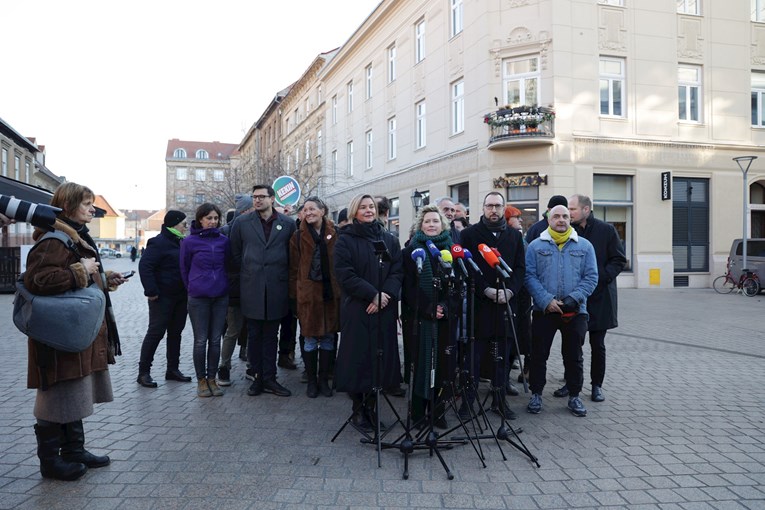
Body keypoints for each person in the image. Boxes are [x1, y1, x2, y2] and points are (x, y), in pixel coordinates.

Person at [25, 181, 126, 481]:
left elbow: (76, 277)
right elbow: (38, 280)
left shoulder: (74, 236)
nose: (92, 208)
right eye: (86, 203)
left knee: (74, 387)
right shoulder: (55, 239)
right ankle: (50, 462)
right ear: (67, 206)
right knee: (56, 391)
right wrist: (82, 271)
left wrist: (104, 279)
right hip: (57, 333)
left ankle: (73, 450)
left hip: (72, 328)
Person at [334, 194, 403, 431]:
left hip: (383, 308)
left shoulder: (388, 239)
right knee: (359, 359)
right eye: (362, 207)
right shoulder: (345, 240)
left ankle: (372, 407)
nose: (368, 210)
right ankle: (358, 411)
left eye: (371, 206)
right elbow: (345, 273)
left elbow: (397, 270)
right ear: (354, 211)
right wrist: (371, 294)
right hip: (358, 308)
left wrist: (385, 296)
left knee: (379, 358)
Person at [524, 205, 598, 417]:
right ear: (548, 219)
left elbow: (591, 277)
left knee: (574, 356)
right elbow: (529, 276)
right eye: (556, 216)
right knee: (538, 355)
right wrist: (546, 300)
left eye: (565, 216)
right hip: (543, 310)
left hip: (575, 311)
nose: (561, 220)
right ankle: (536, 394)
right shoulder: (535, 246)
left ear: (570, 219)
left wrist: (574, 298)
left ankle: (574, 396)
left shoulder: (584, 246)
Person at [552, 194, 626, 402]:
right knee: (572, 344)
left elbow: (619, 260)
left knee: (597, 345)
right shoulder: (568, 231)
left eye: (572, 209)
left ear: (586, 210)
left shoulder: (606, 230)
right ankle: (571, 383)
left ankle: (596, 386)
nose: (568, 213)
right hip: (574, 299)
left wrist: (600, 277)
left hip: (600, 298)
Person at [460, 192, 526, 420]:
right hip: (480, 306)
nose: (494, 210)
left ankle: (500, 401)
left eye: (498, 206)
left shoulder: (515, 237)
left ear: (504, 208)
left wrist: (510, 290)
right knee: (474, 358)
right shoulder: (468, 235)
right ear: (483, 207)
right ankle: (468, 403)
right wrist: (485, 289)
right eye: (490, 206)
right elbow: (466, 267)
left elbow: (520, 269)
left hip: (506, 306)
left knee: (501, 358)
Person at [230, 184, 296, 397]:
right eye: (254, 197)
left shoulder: (287, 224)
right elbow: (235, 253)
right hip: (252, 286)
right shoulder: (241, 223)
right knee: (254, 334)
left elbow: (292, 255)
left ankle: (270, 378)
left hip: (277, 287)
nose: (257, 200)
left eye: (261, 197)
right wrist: (250, 269)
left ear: (272, 199)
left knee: (271, 335)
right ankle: (257, 377)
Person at [401, 204, 457, 428]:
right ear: (420, 226)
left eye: (435, 221)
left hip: (444, 320)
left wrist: (444, 306)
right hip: (419, 319)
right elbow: (407, 288)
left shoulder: (452, 251)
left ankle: (438, 412)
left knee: (442, 365)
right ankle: (417, 413)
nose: (431, 225)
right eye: (427, 221)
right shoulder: (410, 252)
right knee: (420, 363)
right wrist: (428, 308)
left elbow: (458, 285)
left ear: (443, 224)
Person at [289, 196, 340, 398]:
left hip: (330, 293)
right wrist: (294, 296)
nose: (309, 212)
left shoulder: (335, 234)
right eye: (306, 210)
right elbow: (293, 269)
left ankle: (323, 380)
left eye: (313, 209)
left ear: (323, 211)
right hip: (308, 294)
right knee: (309, 338)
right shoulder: (297, 236)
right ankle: (311, 381)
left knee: (328, 337)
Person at [180, 203, 231, 398]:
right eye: (209, 218)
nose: (213, 221)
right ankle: (201, 380)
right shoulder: (189, 242)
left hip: (220, 296)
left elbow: (228, 264)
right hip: (198, 297)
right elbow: (184, 269)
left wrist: (223, 285)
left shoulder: (223, 241)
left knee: (216, 340)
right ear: (200, 219)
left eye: (216, 218)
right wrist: (194, 286)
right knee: (201, 340)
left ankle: (212, 378)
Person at [137, 210, 191, 388]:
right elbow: (145, 266)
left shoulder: (181, 242)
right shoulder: (159, 243)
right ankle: (143, 372)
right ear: (174, 224)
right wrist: (151, 291)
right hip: (162, 297)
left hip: (180, 296)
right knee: (156, 333)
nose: (186, 227)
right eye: (184, 224)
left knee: (176, 333)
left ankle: (172, 370)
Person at [218, 195, 254, 386]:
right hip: (234, 289)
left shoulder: (254, 229)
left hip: (253, 288)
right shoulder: (226, 233)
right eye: (250, 210)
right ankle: (224, 367)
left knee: (252, 329)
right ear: (243, 211)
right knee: (233, 330)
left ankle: (251, 366)